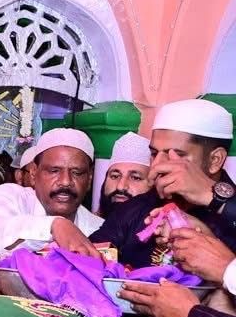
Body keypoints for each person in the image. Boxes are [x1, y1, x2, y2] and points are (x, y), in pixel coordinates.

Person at [90, 98, 236, 267]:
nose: (157, 165)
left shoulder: (230, 212)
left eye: (177, 155)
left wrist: (211, 196)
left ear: (215, 160)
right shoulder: (136, 208)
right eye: (154, 153)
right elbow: (89, 260)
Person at [0, 128, 103, 263]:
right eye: (54, 171)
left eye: (77, 173)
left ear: (89, 179)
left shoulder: (99, 229)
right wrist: (54, 226)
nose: (65, 182)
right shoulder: (11, 197)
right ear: (33, 174)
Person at [98, 132, 151, 218]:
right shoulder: (88, 225)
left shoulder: (165, 226)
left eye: (135, 178)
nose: (120, 186)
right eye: (115, 176)